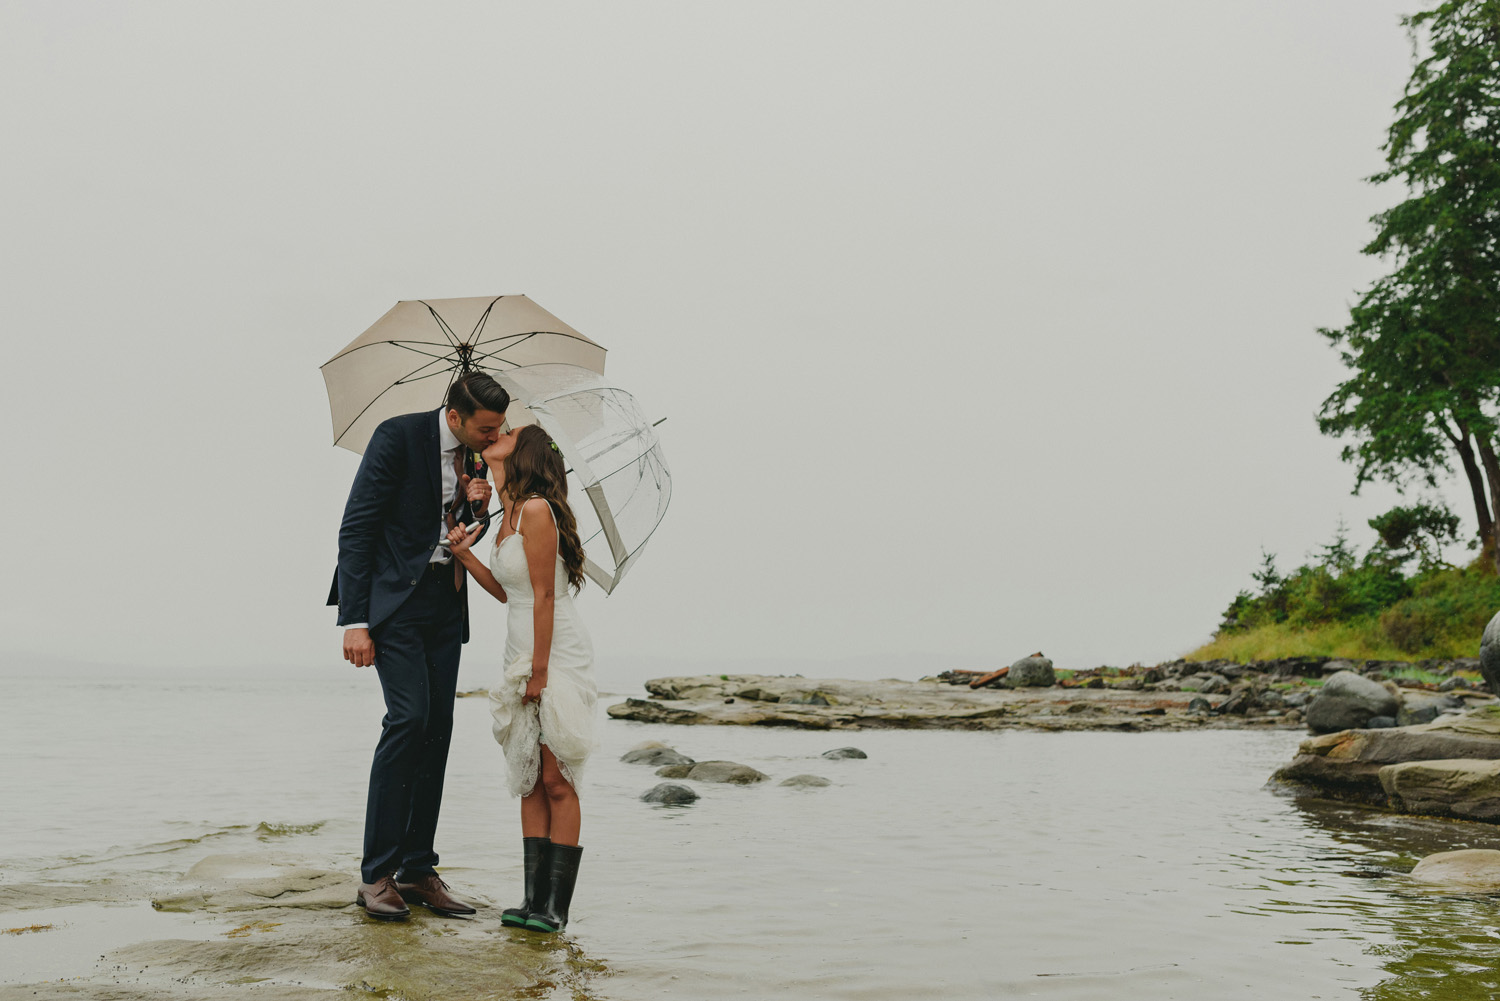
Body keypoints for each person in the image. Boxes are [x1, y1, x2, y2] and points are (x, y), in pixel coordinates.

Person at [328, 371, 509, 921]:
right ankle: (375, 874)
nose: (494, 436)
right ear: (454, 416)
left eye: (499, 428)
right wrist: (354, 621)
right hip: (394, 604)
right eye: (485, 428)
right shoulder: (396, 436)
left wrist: (477, 504)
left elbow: (461, 527)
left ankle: (416, 869)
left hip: (445, 601)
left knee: (438, 729)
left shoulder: (478, 457)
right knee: (408, 720)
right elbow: (357, 530)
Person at [446, 422, 596, 934]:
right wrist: (465, 555)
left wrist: (539, 670)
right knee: (529, 777)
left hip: (553, 650)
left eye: (507, 432)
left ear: (525, 451)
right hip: (519, 643)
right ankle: (533, 901)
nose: (497, 433)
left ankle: (556, 908)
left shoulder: (535, 510)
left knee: (557, 778)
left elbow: (547, 597)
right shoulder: (507, 514)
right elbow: (512, 595)